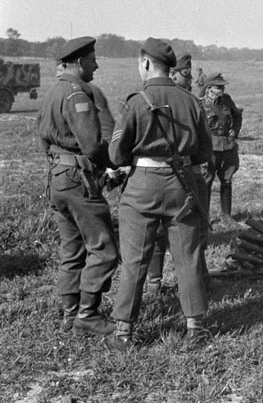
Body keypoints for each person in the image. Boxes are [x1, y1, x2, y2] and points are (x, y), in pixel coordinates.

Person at [109, 38, 212, 348]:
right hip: (183, 185)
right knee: (188, 257)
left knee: (134, 261)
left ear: (145, 64)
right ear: (170, 68)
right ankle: (195, 327)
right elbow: (205, 151)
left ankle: (124, 332)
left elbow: (115, 154)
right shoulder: (191, 100)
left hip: (142, 186)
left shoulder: (137, 101)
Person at [37, 36, 118, 335]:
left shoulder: (52, 93)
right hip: (78, 180)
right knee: (105, 248)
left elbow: (44, 139)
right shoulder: (77, 95)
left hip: (57, 179)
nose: (96, 64)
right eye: (93, 59)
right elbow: (93, 145)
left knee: (71, 249)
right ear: (81, 62)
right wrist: (113, 162)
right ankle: (88, 315)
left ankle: (70, 316)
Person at [146, 54, 213, 294]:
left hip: (150, 176)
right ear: (172, 73)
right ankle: (198, 283)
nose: (191, 79)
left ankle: (154, 283)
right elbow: (205, 149)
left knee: (156, 231)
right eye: (186, 74)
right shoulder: (190, 101)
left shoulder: (145, 97)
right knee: (192, 231)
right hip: (188, 175)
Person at [200, 73, 243, 226]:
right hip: (209, 146)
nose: (222, 89)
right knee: (206, 181)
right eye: (218, 87)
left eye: (222, 86)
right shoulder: (200, 103)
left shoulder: (227, 100)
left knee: (227, 180)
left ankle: (226, 215)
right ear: (209, 88)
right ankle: (203, 217)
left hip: (227, 145)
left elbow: (237, 116)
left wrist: (235, 130)